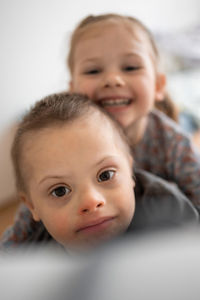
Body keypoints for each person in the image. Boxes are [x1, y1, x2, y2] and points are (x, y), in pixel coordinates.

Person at [0, 93, 198, 251]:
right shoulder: (30, 255)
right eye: (60, 190)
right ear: (32, 206)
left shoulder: (168, 211)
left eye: (105, 175)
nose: (90, 201)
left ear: (130, 171)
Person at [66, 13, 200, 210]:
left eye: (130, 67)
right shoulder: (64, 144)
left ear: (158, 85)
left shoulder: (174, 143)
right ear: (73, 90)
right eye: (93, 71)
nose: (112, 79)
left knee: (186, 119)